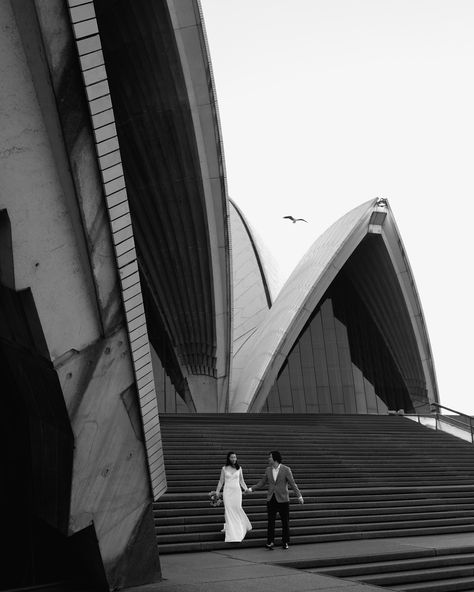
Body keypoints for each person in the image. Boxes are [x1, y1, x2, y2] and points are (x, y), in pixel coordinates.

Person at [248, 450, 304, 550]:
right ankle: (270, 542)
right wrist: (251, 489)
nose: (268, 459)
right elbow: (262, 483)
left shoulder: (286, 469)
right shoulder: (268, 470)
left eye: (270, 457)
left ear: (275, 459)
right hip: (271, 498)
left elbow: (292, 484)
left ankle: (285, 542)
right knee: (271, 522)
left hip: (283, 499)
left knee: (285, 522)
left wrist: (299, 496)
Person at [214, 451, 252, 542]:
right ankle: (231, 531)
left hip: (237, 492)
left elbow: (241, 481)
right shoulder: (224, 468)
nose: (234, 459)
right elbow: (221, 481)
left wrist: (246, 489)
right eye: (232, 457)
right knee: (228, 510)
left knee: (237, 508)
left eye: (235, 457)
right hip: (227, 492)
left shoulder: (239, 468)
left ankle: (239, 529)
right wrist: (217, 491)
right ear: (228, 458)